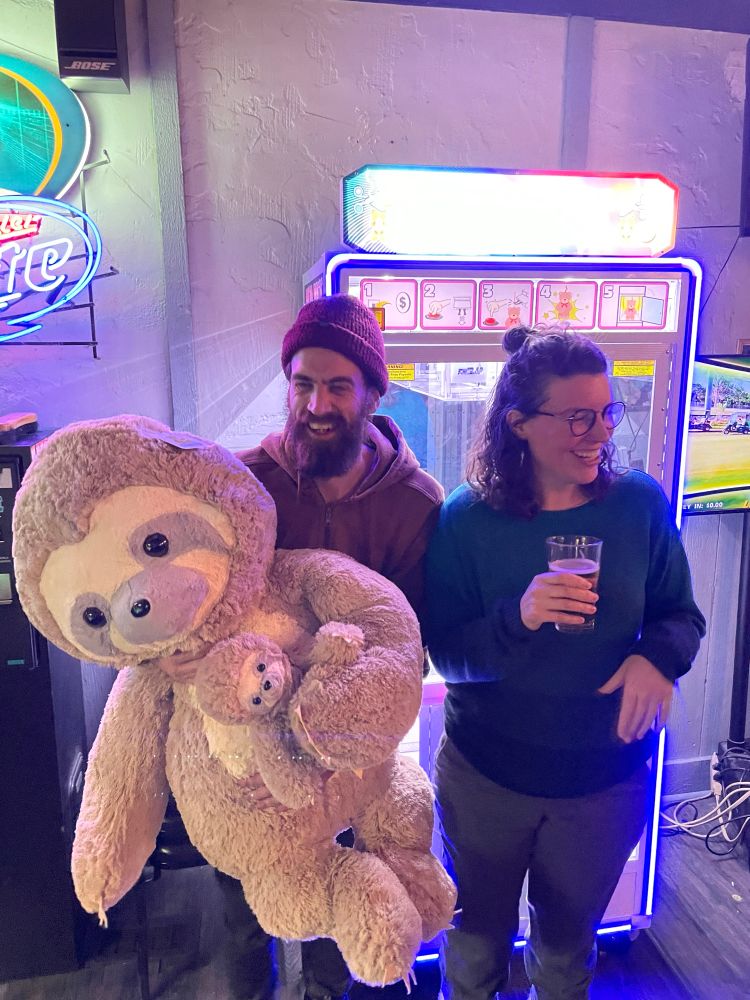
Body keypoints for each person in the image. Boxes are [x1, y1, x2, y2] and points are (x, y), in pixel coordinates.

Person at [160, 294, 443, 1000]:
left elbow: (409, 647)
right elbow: (178, 594)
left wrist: (331, 738)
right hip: (241, 741)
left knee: (333, 914)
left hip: (341, 748)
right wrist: (169, 657)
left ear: (373, 393)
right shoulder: (238, 481)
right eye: (302, 383)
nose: (317, 404)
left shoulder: (416, 503)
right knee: (240, 915)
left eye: (338, 386)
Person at [424, 326, 705, 1000]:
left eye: (608, 412)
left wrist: (657, 660)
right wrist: (518, 617)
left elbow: (681, 615)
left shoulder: (638, 505)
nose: (600, 433)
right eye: (579, 417)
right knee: (473, 948)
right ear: (518, 424)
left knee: (564, 954)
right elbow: (446, 655)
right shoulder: (466, 520)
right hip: (487, 779)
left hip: (603, 782)